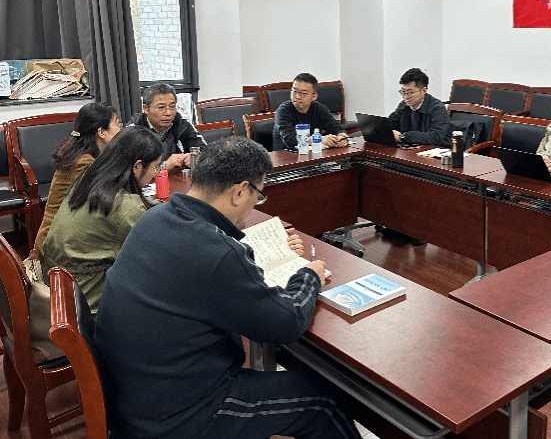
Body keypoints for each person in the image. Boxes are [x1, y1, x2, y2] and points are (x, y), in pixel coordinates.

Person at [94, 137, 360, 439]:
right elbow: (286, 323)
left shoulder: (154, 217)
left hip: (134, 397)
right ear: (240, 192)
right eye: (258, 195)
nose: (254, 204)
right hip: (178, 416)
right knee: (324, 402)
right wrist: (308, 276)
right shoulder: (216, 252)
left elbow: (201, 267)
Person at [41, 127, 162, 313]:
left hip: (60, 292)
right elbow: (156, 252)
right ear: (137, 166)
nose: (156, 173)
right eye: (156, 167)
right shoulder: (126, 207)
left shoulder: (87, 180)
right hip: (89, 308)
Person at [33, 102, 122, 254]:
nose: (120, 129)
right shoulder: (83, 162)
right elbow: (104, 197)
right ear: (102, 132)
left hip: (65, 231)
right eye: (117, 124)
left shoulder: (82, 153)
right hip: (56, 240)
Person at [128, 83, 205, 171]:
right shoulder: (133, 131)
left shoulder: (182, 124)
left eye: (172, 106)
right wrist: (163, 167)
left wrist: (195, 157)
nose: (168, 113)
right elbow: (126, 170)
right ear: (146, 108)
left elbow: (205, 151)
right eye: (161, 107)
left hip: (178, 177)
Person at [273, 72, 349, 150]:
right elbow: (290, 140)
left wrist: (342, 137)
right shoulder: (283, 111)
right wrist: (317, 139)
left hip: (312, 153)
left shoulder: (319, 109)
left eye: (304, 93)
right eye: (295, 91)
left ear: (314, 96)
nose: (297, 96)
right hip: (286, 154)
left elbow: (337, 129)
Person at [389, 67, 452, 147]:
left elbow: (435, 137)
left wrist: (403, 136)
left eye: (410, 92)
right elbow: (391, 123)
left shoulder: (437, 108)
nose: (405, 96)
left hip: (433, 150)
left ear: (424, 91)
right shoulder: (404, 106)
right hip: (411, 149)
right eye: (403, 92)